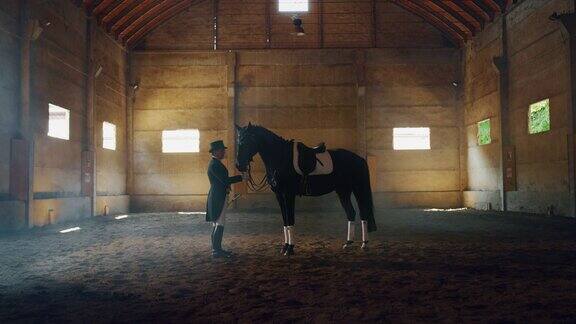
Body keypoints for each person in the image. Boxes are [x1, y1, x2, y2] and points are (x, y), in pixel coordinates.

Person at [206, 140, 244, 258]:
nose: (223, 152)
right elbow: (225, 180)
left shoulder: (215, 163)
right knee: (220, 223)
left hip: (218, 195)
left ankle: (216, 249)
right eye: (222, 150)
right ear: (216, 151)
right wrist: (241, 177)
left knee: (216, 223)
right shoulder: (215, 165)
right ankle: (217, 250)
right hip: (218, 197)